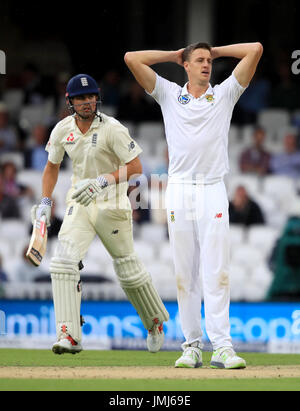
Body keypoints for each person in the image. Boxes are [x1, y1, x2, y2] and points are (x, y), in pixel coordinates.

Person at [125, 41, 263, 369]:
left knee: (217, 269)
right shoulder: (170, 94)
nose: (206, 65)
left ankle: (223, 347)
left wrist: (215, 50)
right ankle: (191, 346)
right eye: (199, 60)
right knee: (185, 272)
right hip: (180, 189)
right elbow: (131, 58)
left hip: (213, 188)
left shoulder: (225, 93)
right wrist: (172, 56)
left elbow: (255, 49)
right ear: (185, 65)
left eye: (208, 61)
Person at [30, 73, 169, 355]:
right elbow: (52, 167)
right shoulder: (61, 130)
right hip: (80, 200)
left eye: (91, 96)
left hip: (112, 203)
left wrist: (103, 180)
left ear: (98, 98)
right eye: (81, 98)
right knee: (63, 263)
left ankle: (154, 323)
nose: (87, 102)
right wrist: (45, 201)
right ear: (70, 101)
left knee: (127, 270)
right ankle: (69, 334)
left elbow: (136, 167)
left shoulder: (112, 129)